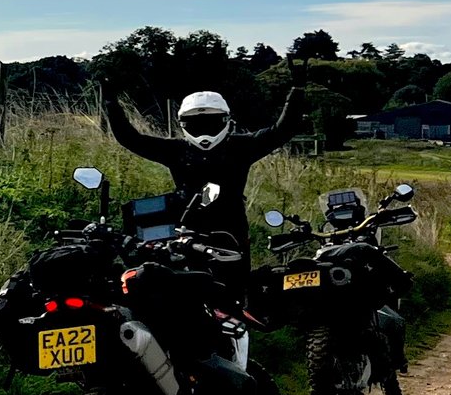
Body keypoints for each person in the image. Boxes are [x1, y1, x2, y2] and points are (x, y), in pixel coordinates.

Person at [100, 85, 302, 264]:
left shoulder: (236, 146)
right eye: (195, 124)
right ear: (183, 124)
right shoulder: (238, 146)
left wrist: (296, 92)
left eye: (211, 123)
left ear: (226, 121)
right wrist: (111, 103)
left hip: (229, 230)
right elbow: (131, 139)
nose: (204, 130)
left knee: (235, 288)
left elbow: (283, 130)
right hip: (188, 230)